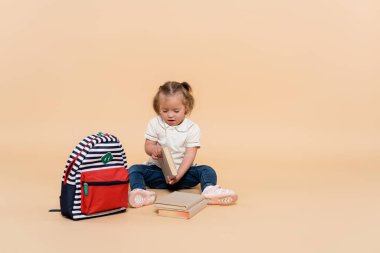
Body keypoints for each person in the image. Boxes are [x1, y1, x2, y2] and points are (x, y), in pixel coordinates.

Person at [128, 81, 238, 208]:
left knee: (207, 170)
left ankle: (210, 190)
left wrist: (179, 174)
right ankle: (140, 192)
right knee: (134, 169)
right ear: (158, 108)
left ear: (186, 109)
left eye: (176, 110)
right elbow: (148, 145)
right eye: (164, 110)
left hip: (184, 175)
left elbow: (189, 155)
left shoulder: (192, 128)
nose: (170, 115)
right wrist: (154, 149)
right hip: (158, 173)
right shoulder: (155, 123)